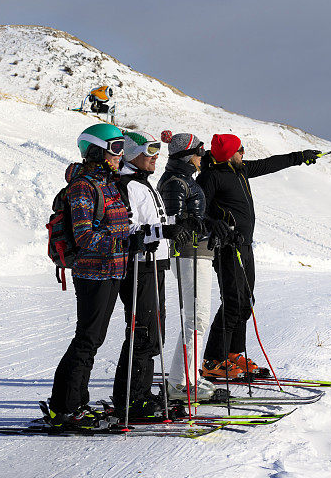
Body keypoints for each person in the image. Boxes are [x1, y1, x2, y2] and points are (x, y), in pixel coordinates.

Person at [197, 134, 321, 380]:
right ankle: (213, 360)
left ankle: (233, 354)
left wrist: (300, 157)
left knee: (245, 302)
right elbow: (198, 211)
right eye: (240, 149)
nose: (244, 152)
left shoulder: (240, 169)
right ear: (230, 154)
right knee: (232, 302)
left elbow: (270, 163)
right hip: (227, 247)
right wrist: (214, 224)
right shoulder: (210, 177)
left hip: (244, 246)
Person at [48, 123, 131, 430]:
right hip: (94, 272)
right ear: (97, 150)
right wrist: (122, 241)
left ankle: (76, 403)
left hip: (113, 269)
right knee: (86, 340)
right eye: (116, 148)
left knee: (92, 339)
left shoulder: (108, 182)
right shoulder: (84, 186)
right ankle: (65, 408)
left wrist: (134, 235)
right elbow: (84, 237)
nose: (120, 155)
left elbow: (114, 225)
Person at [112, 130, 192, 420]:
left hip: (155, 264)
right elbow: (129, 230)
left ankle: (141, 394)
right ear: (133, 153)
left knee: (154, 331)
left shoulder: (145, 184)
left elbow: (157, 220)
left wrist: (181, 225)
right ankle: (131, 399)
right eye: (149, 152)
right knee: (143, 331)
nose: (156, 157)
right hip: (138, 265)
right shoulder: (127, 186)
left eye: (158, 152)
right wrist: (164, 231)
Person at [157, 132, 218, 401]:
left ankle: (189, 377)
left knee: (199, 318)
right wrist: (204, 226)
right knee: (196, 318)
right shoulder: (175, 182)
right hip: (188, 254)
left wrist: (215, 228)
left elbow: (192, 219)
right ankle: (179, 384)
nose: (202, 157)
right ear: (186, 155)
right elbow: (175, 223)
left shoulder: (184, 180)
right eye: (199, 152)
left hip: (198, 252)